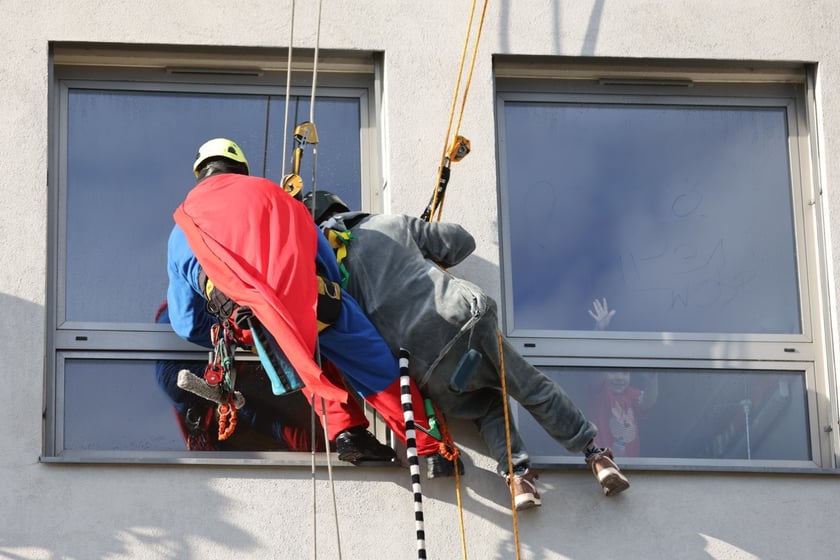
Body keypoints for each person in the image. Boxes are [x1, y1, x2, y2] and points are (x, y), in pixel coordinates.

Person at [309, 191, 631, 510]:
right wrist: (420, 241)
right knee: (529, 386)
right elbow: (461, 242)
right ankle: (597, 456)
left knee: (488, 407)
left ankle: (519, 477)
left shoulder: (332, 276)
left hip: (423, 365)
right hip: (461, 321)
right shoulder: (388, 225)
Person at [166, 138, 441, 463]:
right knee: (372, 365)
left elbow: (186, 323)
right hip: (307, 299)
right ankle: (433, 449)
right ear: (240, 168)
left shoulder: (181, 229)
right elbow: (320, 253)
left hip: (250, 321)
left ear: (201, 173)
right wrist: (330, 290)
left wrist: (231, 334)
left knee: (300, 356)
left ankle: (349, 434)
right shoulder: (271, 193)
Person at [586, 299, 659, 457]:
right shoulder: (600, 390)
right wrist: (599, 331)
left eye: (625, 373)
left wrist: (652, 379)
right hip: (601, 460)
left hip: (630, 463)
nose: (619, 378)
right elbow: (595, 363)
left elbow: (647, 401)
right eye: (613, 372)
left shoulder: (630, 394)